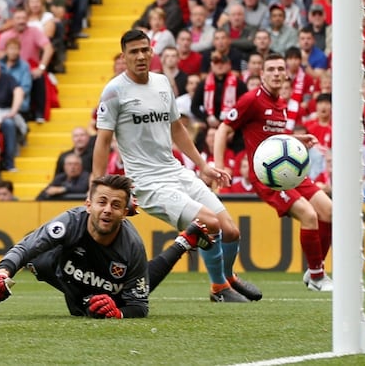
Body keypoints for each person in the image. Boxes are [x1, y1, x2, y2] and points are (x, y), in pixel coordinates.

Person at [91, 29, 260, 303]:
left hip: (175, 171)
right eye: (133, 52)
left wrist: (203, 166)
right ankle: (220, 288)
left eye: (144, 50)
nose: (140, 56)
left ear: (151, 52)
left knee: (231, 230)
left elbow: (177, 128)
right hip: (147, 183)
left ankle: (228, 278)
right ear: (124, 57)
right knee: (210, 223)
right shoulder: (113, 91)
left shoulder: (161, 82)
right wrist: (97, 185)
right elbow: (103, 141)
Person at [0, 174, 215, 317]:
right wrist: (3, 274)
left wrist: (119, 314)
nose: (106, 210)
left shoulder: (132, 246)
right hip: (61, 272)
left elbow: (139, 305)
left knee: (131, 290)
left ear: (125, 213)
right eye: (101, 202)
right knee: (35, 255)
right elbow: (25, 247)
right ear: (88, 204)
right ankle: (187, 239)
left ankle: (185, 241)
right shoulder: (70, 222)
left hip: (102, 292)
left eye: (115, 205)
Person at [214, 53, 333, 291]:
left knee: (329, 212)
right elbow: (222, 129)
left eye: (280, 68)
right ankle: (318, 278)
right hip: (268, 177)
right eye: (271, 69)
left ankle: (314, 270)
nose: (277, 73)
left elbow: (272, 138)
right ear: (262, 74)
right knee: (309, 216)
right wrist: (219, 166)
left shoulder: (280, 103)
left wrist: (297, 139)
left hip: (289, 170)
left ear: (286, 73)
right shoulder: (251, 99)